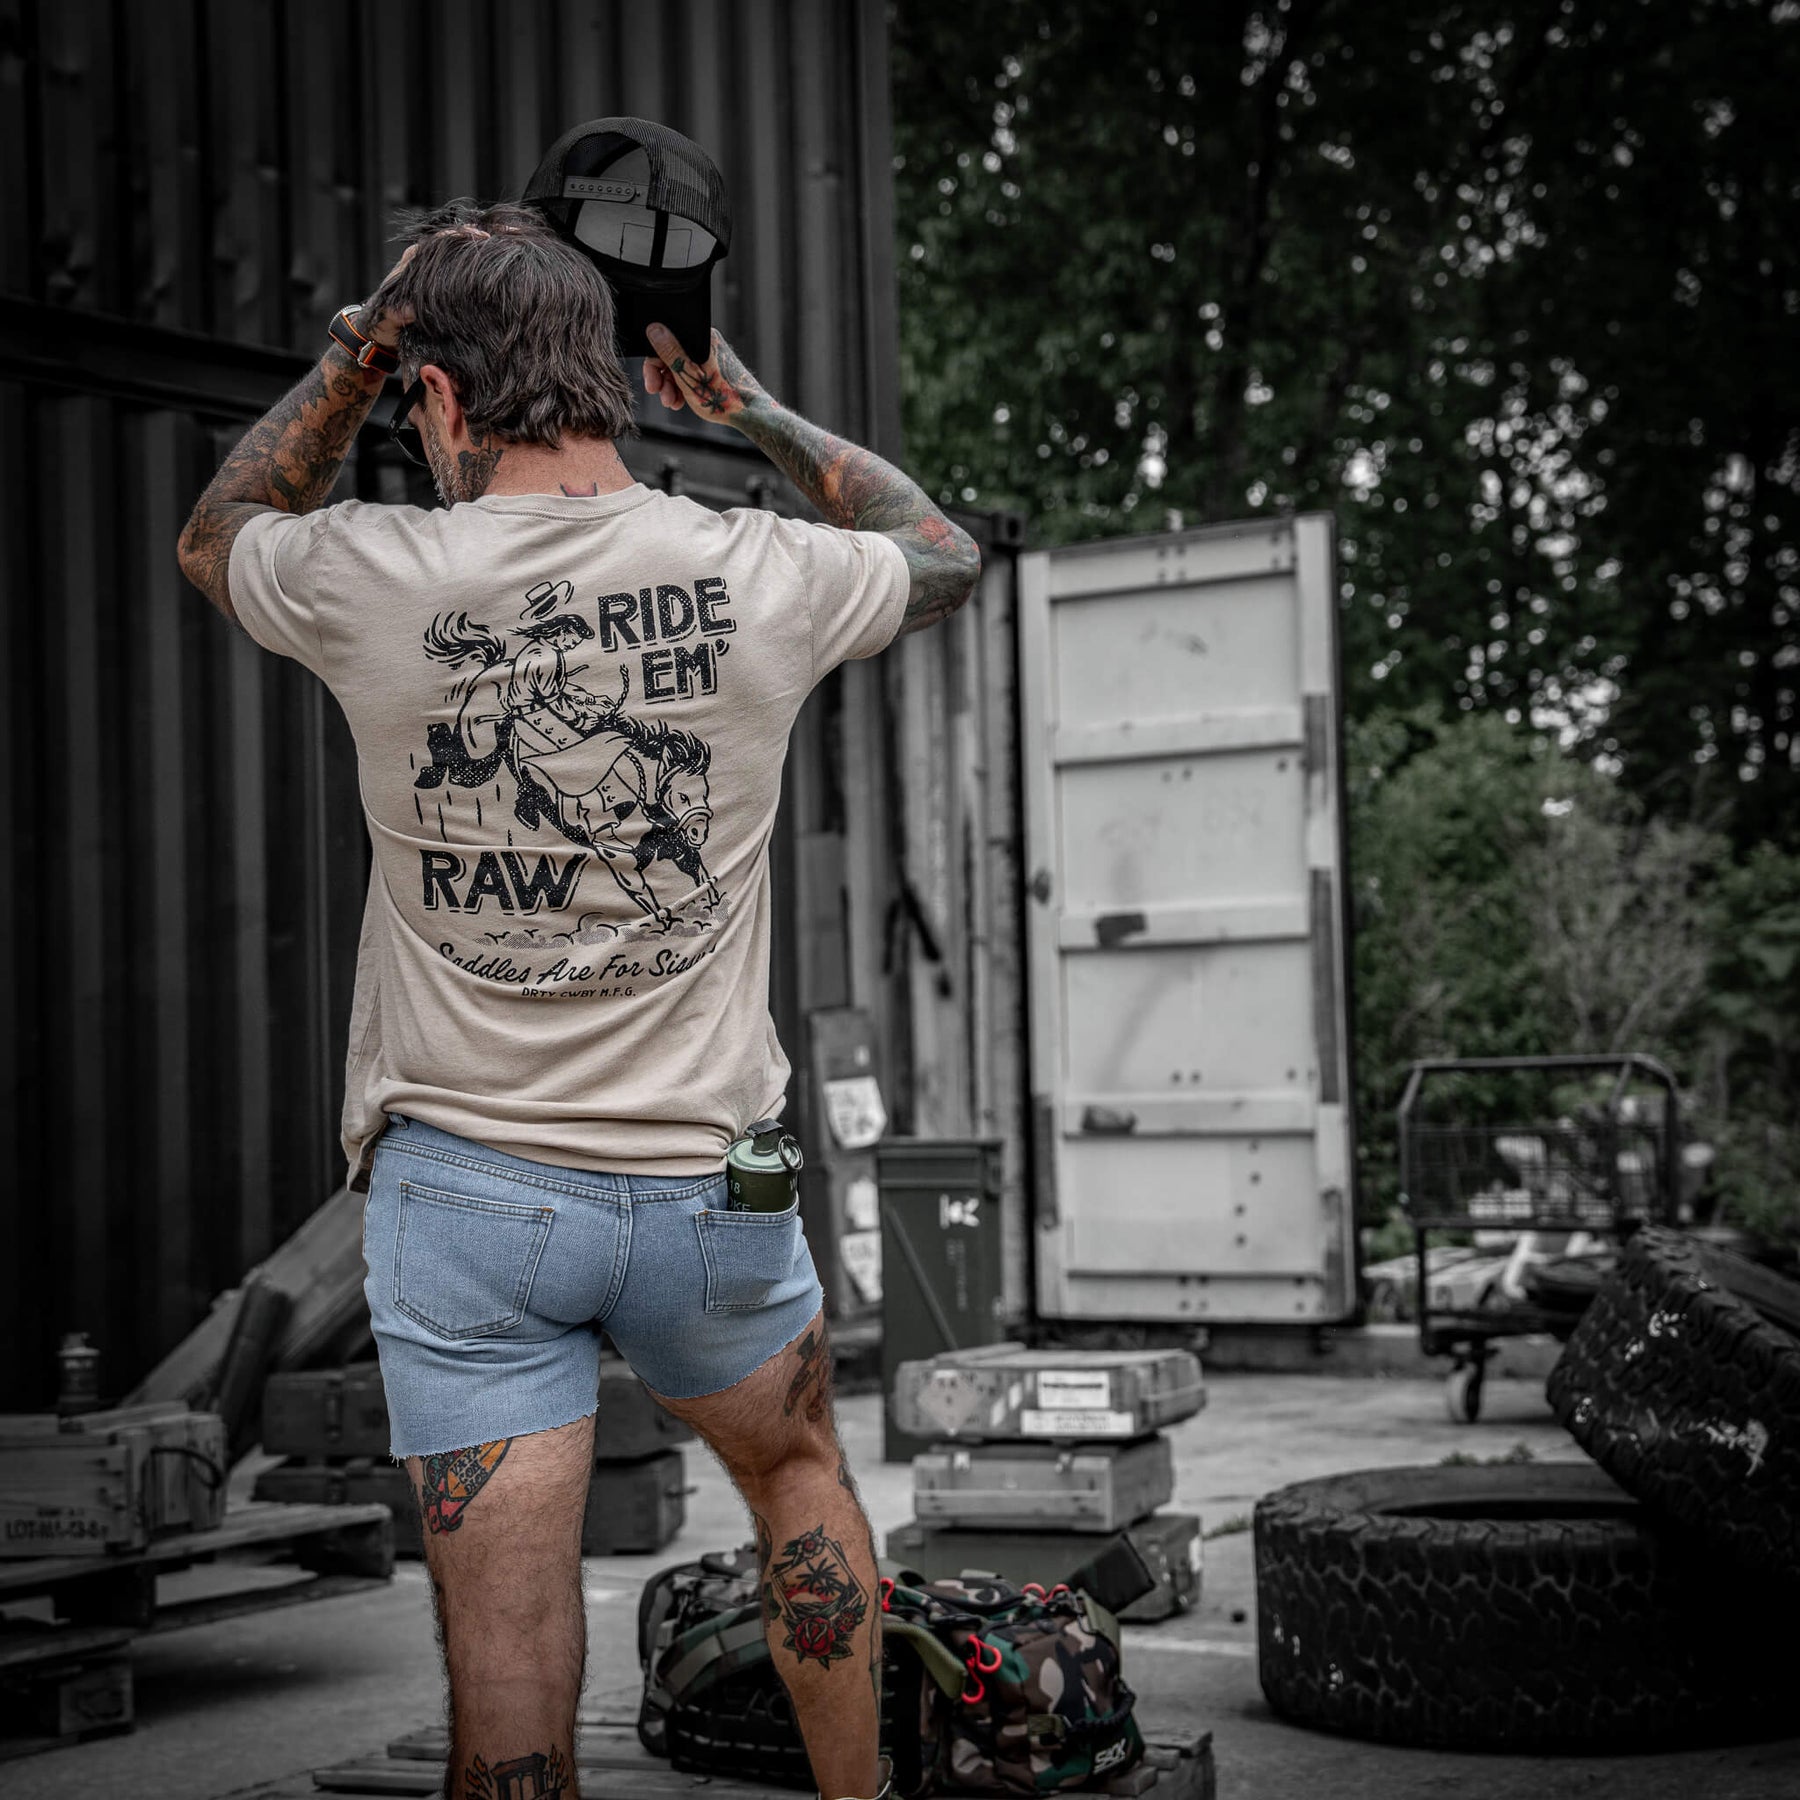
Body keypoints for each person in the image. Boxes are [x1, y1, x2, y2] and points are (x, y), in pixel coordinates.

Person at [176, 201, 981, 1800]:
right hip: (716, 1182)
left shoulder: (370, 571)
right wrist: (750, 407)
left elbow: (220, 531)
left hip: (470, 1199)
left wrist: (347, 361)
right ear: (607, 381)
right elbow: (945, 553)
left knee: (507, 1672)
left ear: (437, 395)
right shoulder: (758, 568)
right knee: (799, 1472)